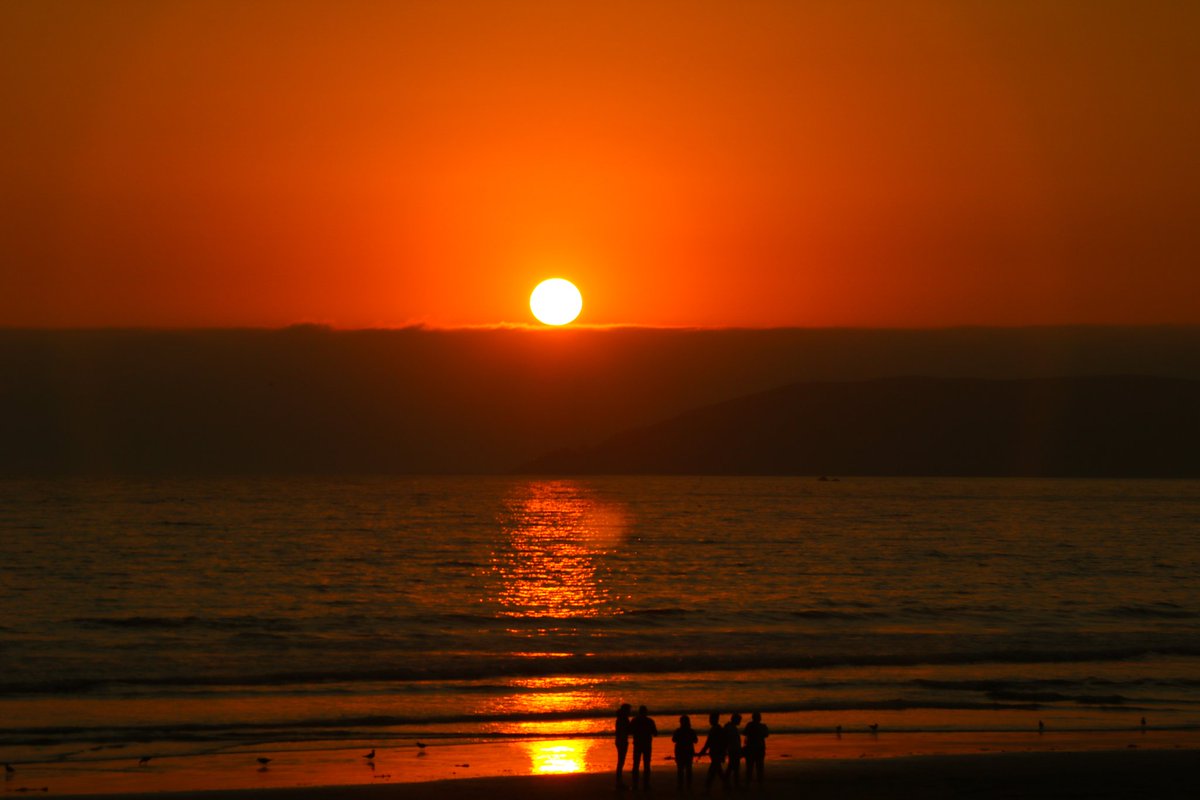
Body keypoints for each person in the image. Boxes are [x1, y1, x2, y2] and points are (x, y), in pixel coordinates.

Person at [696, 712, 727, 790]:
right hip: (718, 753)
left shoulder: (714, 730)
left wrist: (701, 752)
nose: (709, 720)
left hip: (715, 753)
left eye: (711, 719)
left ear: (714, 719)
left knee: (712, 772)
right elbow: (723, 742)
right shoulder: (720, 729)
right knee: (718, 771)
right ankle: (727, 786)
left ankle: (707, 790)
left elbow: (708, 743)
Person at [672, 714, 698, 791]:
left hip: (679, 751)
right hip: (689, 751)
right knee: (688, 769)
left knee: (680, 769)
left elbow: (674, 740)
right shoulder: (691, 731)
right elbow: (696, 741)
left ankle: (680, 786)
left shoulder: (678, 731)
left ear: (681, 722)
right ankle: (688, 786)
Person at [742, 711, 769, 784]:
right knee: (759, 768)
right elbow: (766, 734)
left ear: (752, 718)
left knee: (749, 768)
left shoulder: (749, 725)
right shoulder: (762, 726)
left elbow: (744, 733)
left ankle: (747, 784)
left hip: (750, 749)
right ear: (759, 718)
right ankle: (760, 784)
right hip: (760, 749)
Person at [723, 713, 743, 788]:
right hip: (733, 750)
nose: (740, 722)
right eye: (739, 720)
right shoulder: (731, 728)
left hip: (733, 749)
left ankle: (730, 783)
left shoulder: (731, 727)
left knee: (732, 767)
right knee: (733, 767)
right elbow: (728, 740)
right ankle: (733, 783)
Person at [615, 703, 632, 787]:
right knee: (621, 761)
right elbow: (628, 730)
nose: (630, 712)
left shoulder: (619, 718)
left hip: (619, 740)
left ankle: (619, 780)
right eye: (629, 710)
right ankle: (619, 782)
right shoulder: (624, 719)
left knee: (620, 761)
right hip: (622, 740)